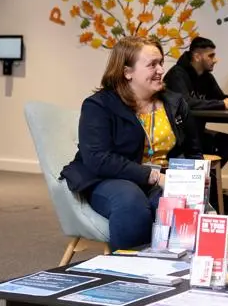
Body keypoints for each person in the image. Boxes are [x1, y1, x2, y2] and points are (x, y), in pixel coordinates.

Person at [60, 36, 203, 250]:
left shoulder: (174, 103)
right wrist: (153, 176)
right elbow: (98, 159)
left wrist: (197, 179)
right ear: (127, 72)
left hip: (163, 178)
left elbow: (192, 151)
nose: (161, 70)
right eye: (152, 65)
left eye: (161, 62)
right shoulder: (99, 106)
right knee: (131, 204)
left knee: (183, 205)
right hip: (109, 179)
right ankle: (130, 275)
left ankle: (177, 273)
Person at [162, 36, 228, 212]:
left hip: (197, 133)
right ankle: (208, 193)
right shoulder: (177, 75)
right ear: (198, 57)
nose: (215, 60)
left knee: (227, 142)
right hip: (180, 136)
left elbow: (219, 98)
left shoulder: (206, 77)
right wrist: (222, 104)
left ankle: (208, 190)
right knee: (202, 148)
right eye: (211, 56)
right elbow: (185, 102)